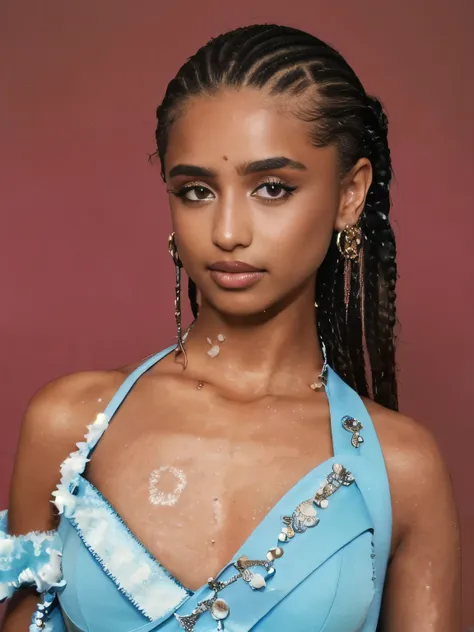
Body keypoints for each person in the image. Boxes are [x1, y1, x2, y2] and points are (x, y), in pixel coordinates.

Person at [0, 23, 460, 632]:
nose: (226, 232)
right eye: (195, 191)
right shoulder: (70, 425)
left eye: (272, 188)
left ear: (350, 194)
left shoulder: (403, 469)